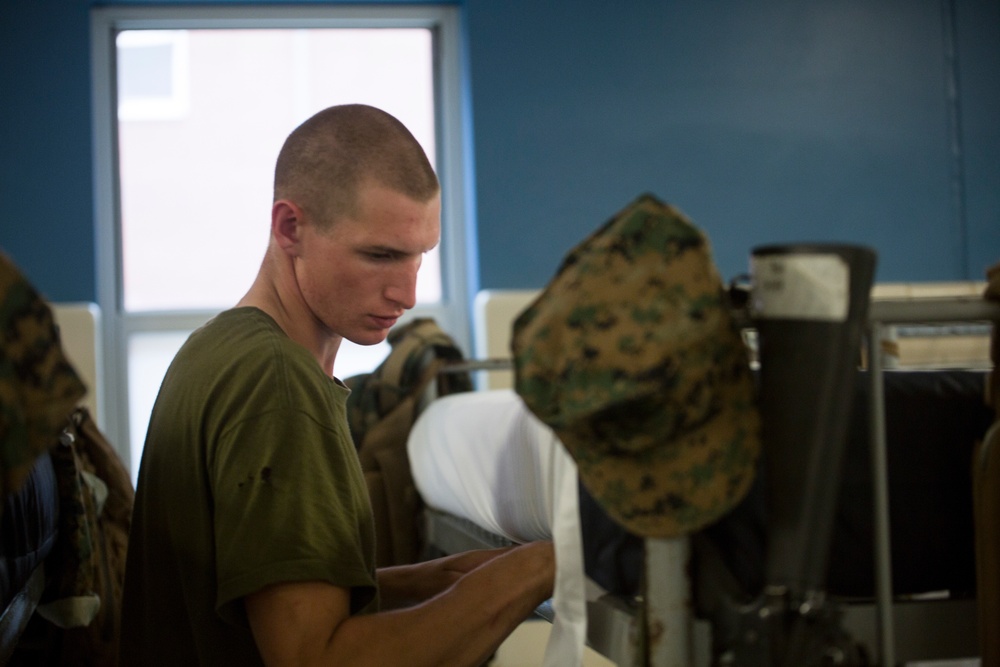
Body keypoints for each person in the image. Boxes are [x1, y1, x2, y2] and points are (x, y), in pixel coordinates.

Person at [119, 104, 555, 666]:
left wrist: (443, 577)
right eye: (380, 255)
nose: (406, 293)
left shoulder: (217, 349)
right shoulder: (275, 383)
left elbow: (259, 597)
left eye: (419, 256)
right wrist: (544, 565)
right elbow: (314, 659)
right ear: (290, 228)